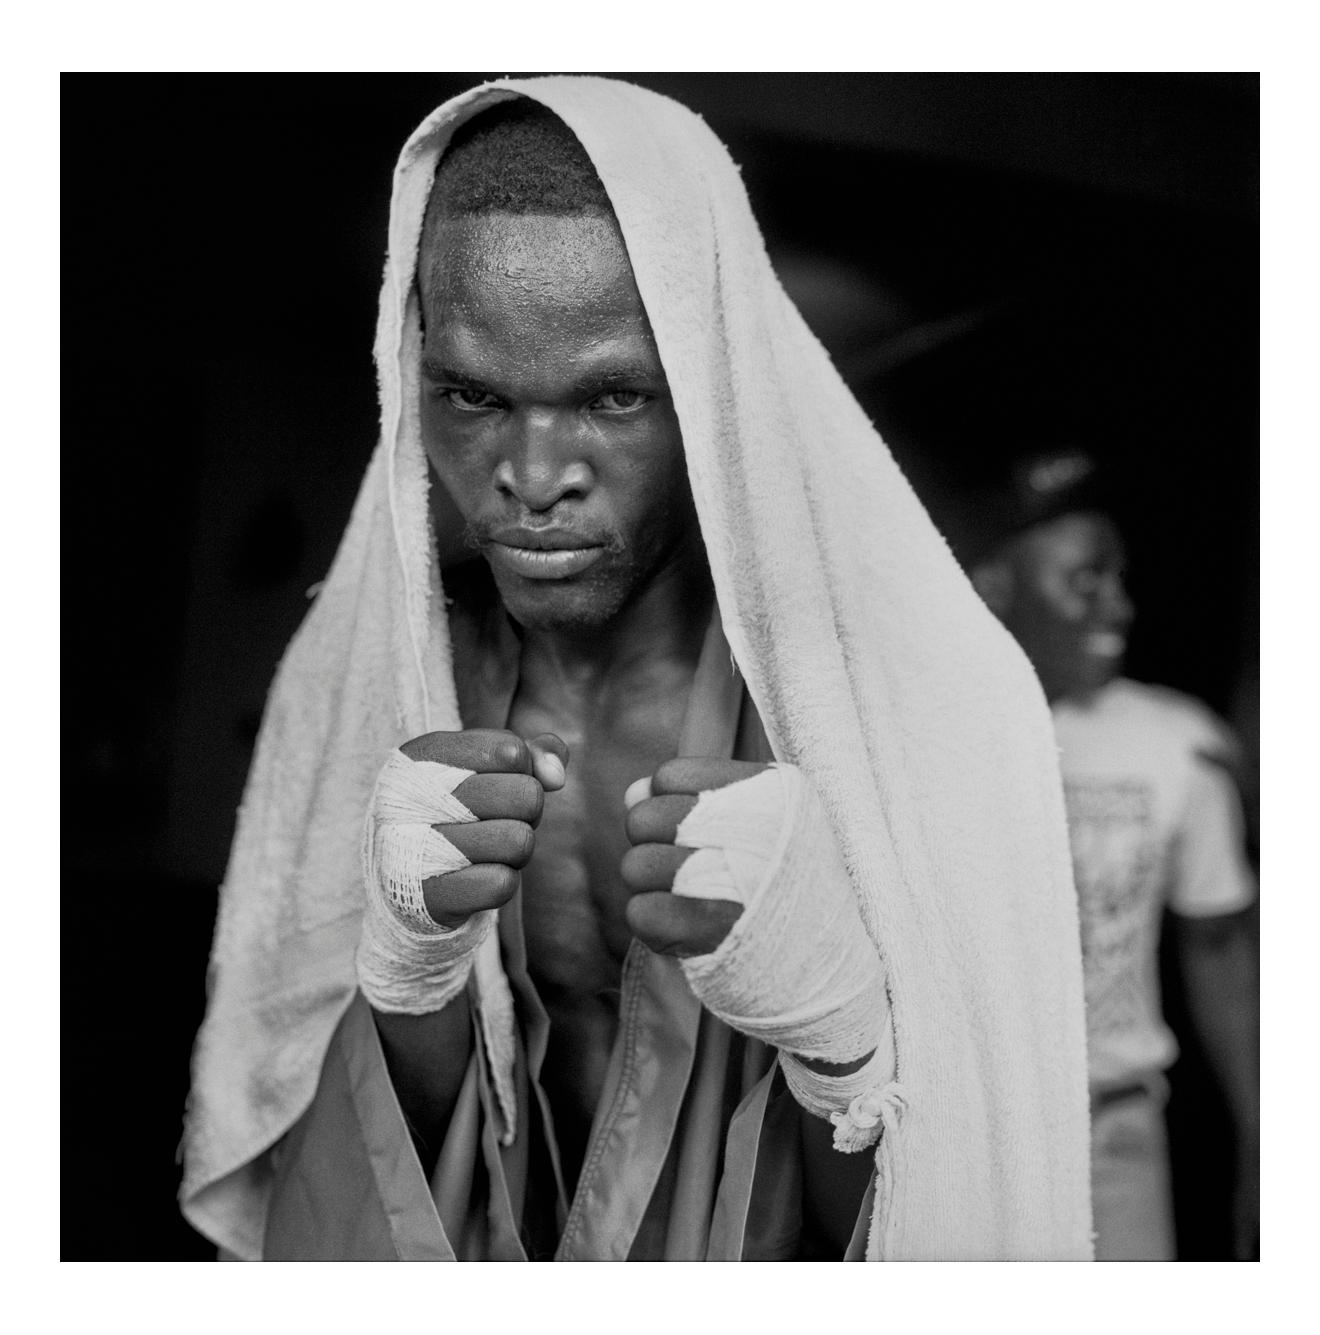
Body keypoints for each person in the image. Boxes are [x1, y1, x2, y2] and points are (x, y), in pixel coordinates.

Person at [179, 78, 1093, 1262]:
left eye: (613, 395)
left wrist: (841, 1043)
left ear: (714, 392)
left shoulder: (920, 705)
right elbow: (349, 1190)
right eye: (472, 395)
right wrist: (408, 979)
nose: (532, 470)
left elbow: (965, 1215)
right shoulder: (372, 685)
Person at [963, 450, 1260, 1261]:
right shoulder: (934, 736)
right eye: (1086, 579)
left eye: (1121, 578)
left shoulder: (1179, 742)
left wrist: (1267, 1140)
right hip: (967, 1137)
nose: (1120, 605)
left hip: (1117, 1128)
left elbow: (1221, 947)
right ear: (996, 583)